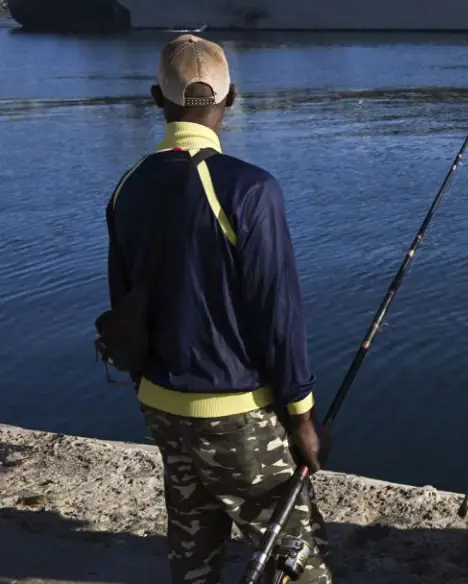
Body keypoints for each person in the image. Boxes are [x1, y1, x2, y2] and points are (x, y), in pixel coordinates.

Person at [105, 34, 332, 584]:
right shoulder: (250, 189)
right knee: (297, 560)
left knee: (193, 547)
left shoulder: (127, 186)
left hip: (160, 405)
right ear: (232, 98)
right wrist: (303, 419)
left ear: (156, 99)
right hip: (236, 414)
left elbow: (122, 301)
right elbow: (278, 316)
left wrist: (149, 385)